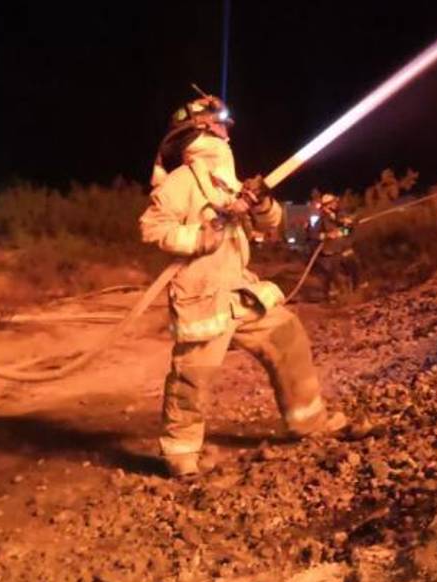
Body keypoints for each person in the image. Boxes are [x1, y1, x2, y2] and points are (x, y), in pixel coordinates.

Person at [141, 93, 349, 478]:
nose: (226, 132)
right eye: (219, 124)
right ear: (200, 129)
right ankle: (181, 456)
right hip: (201, 294)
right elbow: (152, 228)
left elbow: (269, 226)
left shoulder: (227, 181)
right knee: (193, 377)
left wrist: (262, 204)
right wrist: (199, 237)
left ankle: (308, 422)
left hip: (238, 289)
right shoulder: (181, 183)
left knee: (287, 335)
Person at [313, 193, 364, 300]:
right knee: (333, 276)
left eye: (335, 202)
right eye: (333, 202)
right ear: (327, 206)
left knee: (355, 265)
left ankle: (357, 289)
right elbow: (313, 234)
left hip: (343, 248)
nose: (336, 204)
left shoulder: (339, 216)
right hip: (330, 253)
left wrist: (347, 227)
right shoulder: (320, 220)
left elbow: (348, 231)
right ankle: (334, 296)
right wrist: (327, 235)